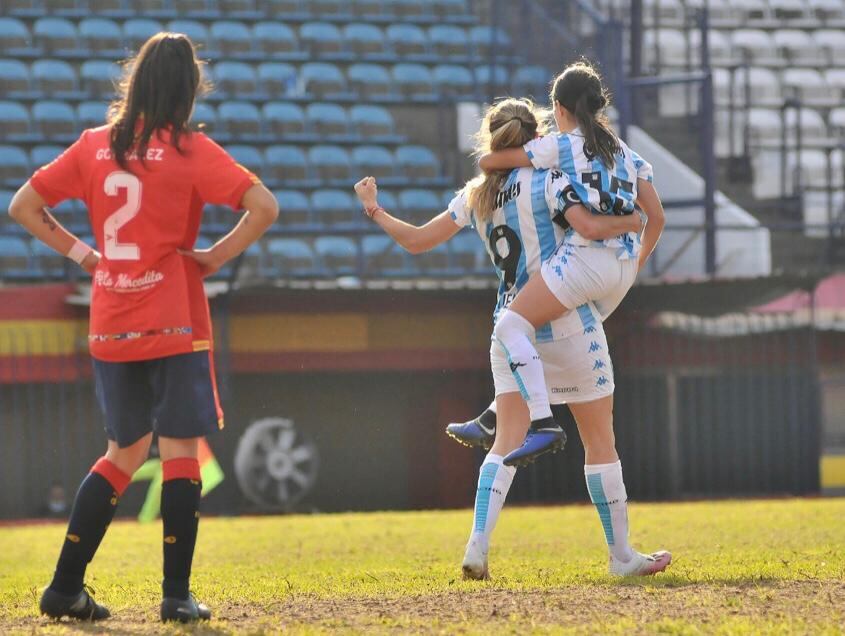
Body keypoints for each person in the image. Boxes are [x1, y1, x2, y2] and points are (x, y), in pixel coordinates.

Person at [8, 33, 278, 623]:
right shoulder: (191, 150)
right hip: (173, 318)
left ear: (134, 81)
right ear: (187, 90)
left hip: (111, 320)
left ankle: (64, 588)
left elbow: (23, 205)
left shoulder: (92, 145)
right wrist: (213, 257)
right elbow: (265, 206)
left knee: (122, 452)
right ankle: (176, 595)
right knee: (180, 449)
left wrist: (85, 256)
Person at [353, 97, 668, 579]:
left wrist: (374, 209)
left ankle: (476, 547)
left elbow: (416, 241)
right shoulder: (551, 179)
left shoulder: (475, 194)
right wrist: (631, 223)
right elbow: (589, 226)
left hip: (509, 326)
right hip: (566, 322)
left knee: (503, 441)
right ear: (536, 136)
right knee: (600, 441)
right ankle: (621, 556)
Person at [449, 60, 666, 470]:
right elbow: (656, 217)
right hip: (622, 271)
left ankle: (542, 422)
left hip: (586, 261)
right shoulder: (628, 154)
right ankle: (494, 413)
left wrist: (529, 157)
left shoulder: (560, 146)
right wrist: (636, 261)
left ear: (559, 108)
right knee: (554, 332)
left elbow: (490, 163)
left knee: (513, 327)